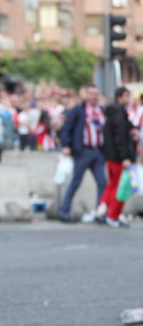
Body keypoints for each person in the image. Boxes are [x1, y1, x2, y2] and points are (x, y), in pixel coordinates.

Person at [58, 85, 107, 223]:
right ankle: (64, 211)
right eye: (91, 94)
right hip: (83, 151)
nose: (94, 97)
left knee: (102, 182)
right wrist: (66, 145)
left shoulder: (101, 110)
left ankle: (100, 212)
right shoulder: (78, 110)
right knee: (76, 182)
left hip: (98, 151)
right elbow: (66, 128)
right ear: (86, 95)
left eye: (96, 94)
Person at [99, 87, 136, 228]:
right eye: (127, 96)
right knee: (121, 187)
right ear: (119, 98)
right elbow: (120, 139)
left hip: (112, 156)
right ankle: (113, 215)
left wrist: (132, 130)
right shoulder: (119, 115)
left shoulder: (116, 114)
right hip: (119, 158)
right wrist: (125, 157)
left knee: (113, 184)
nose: (129, 99)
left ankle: (104, 209)